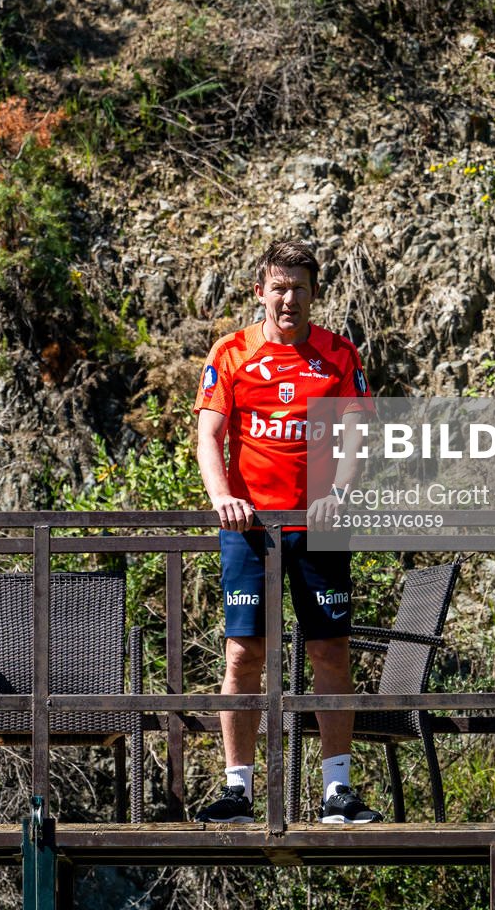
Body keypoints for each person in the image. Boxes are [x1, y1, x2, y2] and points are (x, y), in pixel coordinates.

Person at [190, 238, 381, 824]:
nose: (288, 298)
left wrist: (340, 493)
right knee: (245, 653)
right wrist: (222, 496)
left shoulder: (339, 354)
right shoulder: (231, 353)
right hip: (250, 527)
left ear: (314, 292)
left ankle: (337, 791)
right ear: (260, 291)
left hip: (320, 523)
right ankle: (237, 788)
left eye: (299, 287)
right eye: (278, 286)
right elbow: (209, 436)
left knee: (329, 650)